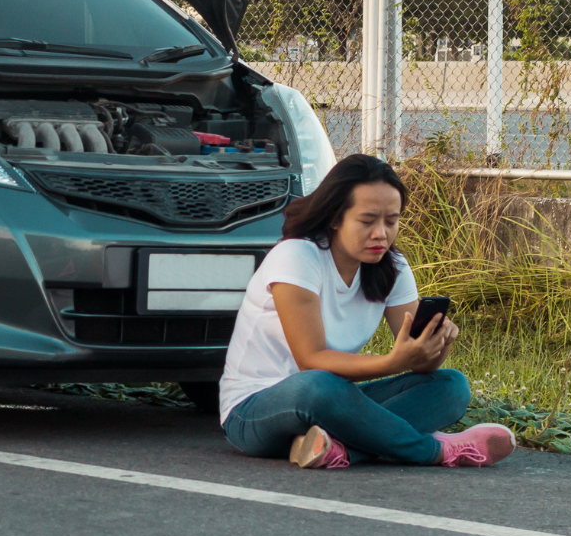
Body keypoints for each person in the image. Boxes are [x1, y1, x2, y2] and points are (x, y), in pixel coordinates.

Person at [217, 154, 516, 469]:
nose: (381, 234)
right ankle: (436, 451)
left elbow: (421, 364)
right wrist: (391, 363)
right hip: (254, 411)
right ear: (335, 218)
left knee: (451, 387)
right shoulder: (296, 256)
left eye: (391, 221)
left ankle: (337, 450)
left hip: (332, 406)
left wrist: (436, 344)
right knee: (320, 385)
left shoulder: (393, 267)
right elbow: (311, 360)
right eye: (367, 220)